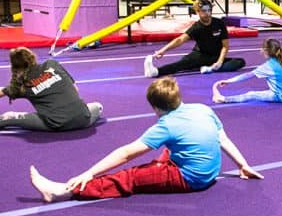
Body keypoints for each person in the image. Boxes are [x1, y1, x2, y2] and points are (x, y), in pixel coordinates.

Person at [29, 76, 262, 202]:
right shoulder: (202, 109)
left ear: (153, 107)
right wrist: (243, 165)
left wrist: (88, 173)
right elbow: (223, 138)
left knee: (131, 176)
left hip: (192, 179)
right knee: (172, 149)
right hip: (210, 170)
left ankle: (65, 192)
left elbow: (126, 153)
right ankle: (161, 166)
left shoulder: (166, 125)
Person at [0, 47, 102, 131]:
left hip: (57, 124)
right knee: (98, 106)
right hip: (83, 118)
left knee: (10, 117)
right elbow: (75, 89)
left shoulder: (20, 85)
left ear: (14, 66)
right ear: (32, 57)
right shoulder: (52, 64)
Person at [143, 0, 246, 77]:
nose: (207, 13)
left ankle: (210, 68)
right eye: (204, 11)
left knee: (240, 62)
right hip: (200, 55)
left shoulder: (219, 23)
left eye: (209, 10)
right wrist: (163, 50)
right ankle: (156, 72)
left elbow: (225, 46)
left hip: (215, 57)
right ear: (197, 11)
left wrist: (219, 61)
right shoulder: (196, 27)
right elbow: (180, 39)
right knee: (180, 64)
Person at [212, 37, 282, 104]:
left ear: (265, 50)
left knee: (252, 94)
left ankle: (223, 99)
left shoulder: (269, 66)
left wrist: (228, 81)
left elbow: (247, 75)